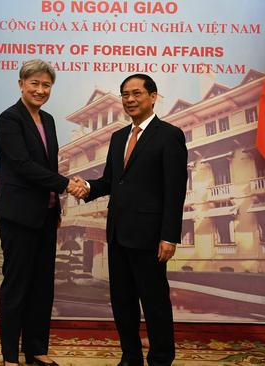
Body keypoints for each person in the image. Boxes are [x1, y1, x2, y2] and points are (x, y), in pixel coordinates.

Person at [77, 74, 188, 366]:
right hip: (117, 233)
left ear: (153, 96)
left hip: (151, 237)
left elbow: (175, 191)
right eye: (125, 94)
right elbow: (111, 182)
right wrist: (87, 188)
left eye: (136, 93)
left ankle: (161, 359)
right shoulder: (117, 138)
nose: (130, 99)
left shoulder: (169, 135)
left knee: (155, 303)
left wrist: (169, 236)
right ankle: (130, 356)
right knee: (122, 301)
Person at [0, 59, 87, 366]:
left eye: (46, 85)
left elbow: (48, 166)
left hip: (45, 215)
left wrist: (56, 205)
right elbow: (22, 166)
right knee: (17, 285)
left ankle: (36, 349)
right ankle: (10, 356)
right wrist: (66, 185)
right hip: (18, 215)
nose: (40, 90)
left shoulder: (47, 120)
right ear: (21, 83)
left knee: (42, 286)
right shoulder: (9, 119)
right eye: (34, 83)